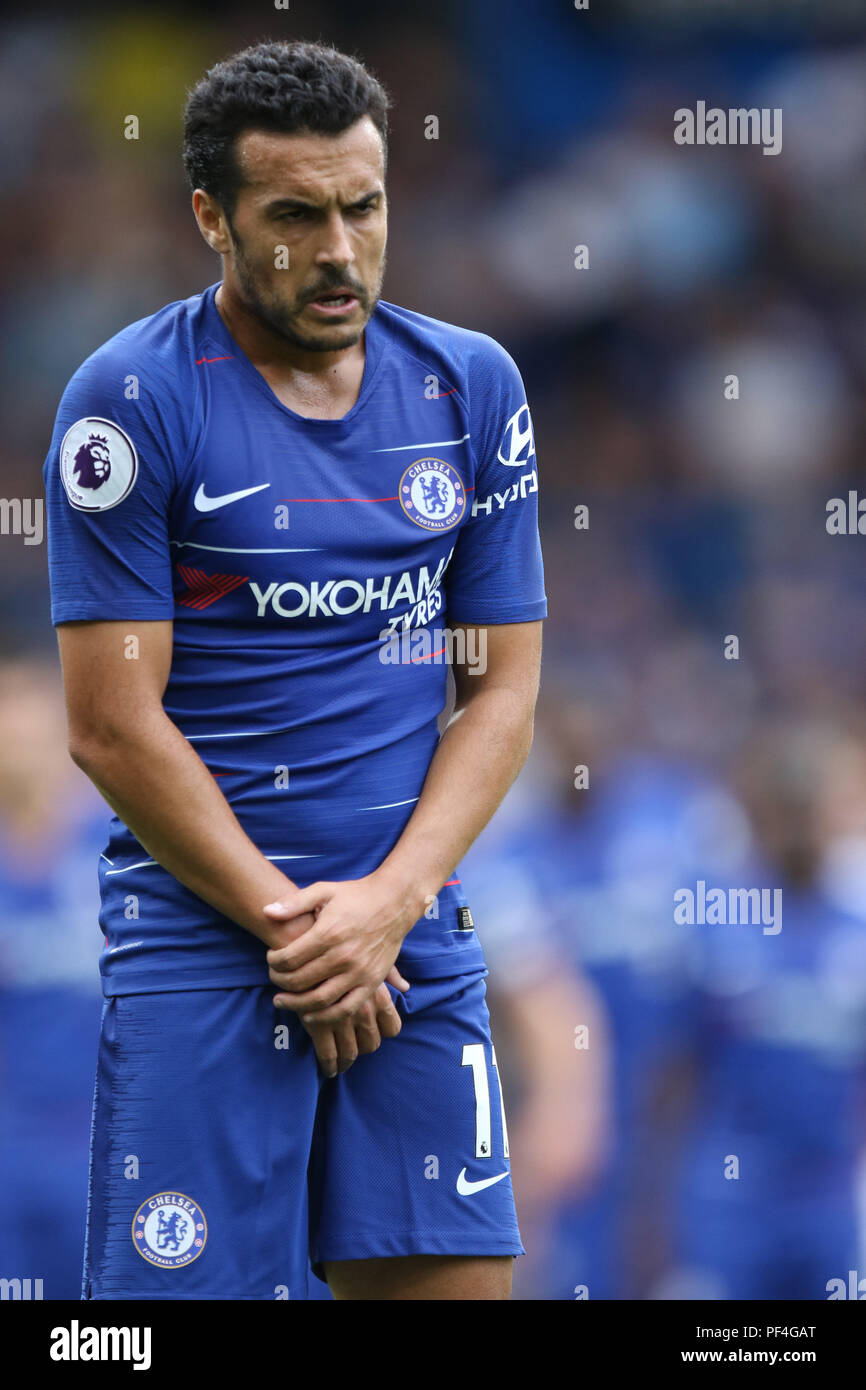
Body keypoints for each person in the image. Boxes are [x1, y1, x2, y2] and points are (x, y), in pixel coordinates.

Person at [42, 39, 546, 1301]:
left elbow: (500, 689)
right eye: (294, 216)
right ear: (211, 217)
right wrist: (301, 930)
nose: (337, 250)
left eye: (363, 207)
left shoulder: (471, 387)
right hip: (207, 941)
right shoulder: (130, 402)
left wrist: (384, 909)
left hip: (405, 928)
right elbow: (109, 726)